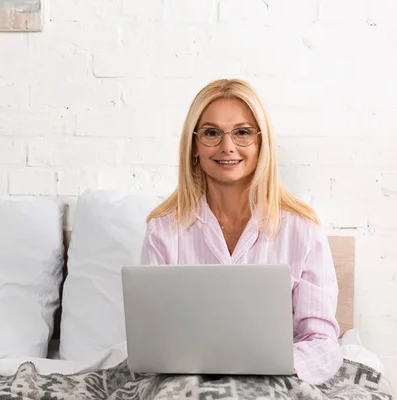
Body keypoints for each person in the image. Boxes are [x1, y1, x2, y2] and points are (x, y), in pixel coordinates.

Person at [140, 78, 343, 384]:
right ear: (194, 145)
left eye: (242, 132)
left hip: (276, 381)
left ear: (262, 144)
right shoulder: (164, 229)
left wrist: (271, 368)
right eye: (211, 133)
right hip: (186, 383)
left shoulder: (302, 229)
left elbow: (322, 342)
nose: (227, 147)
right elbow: (151, 341)